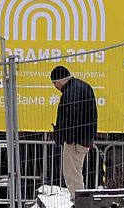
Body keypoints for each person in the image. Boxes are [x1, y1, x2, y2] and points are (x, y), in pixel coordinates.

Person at [51, 66, 98, 194]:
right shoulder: (82, 86)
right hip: (83, 138)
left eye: (54, 83)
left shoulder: (71, 92)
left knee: (71, 174)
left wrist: (68, 138)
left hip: (75, 141)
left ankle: (78, 200)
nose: (55, 87)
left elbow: (71, 117)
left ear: (60, 80)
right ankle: (79, 199)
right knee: (76, 172)